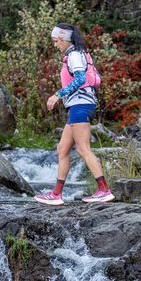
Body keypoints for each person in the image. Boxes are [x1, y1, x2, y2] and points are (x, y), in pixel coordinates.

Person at [33, 23, 114, 205]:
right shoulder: (76, 54)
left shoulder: (75, 55)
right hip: (77, 106)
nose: (55, 45)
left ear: (63, 39)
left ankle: (104, 191)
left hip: (81, 105)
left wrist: (57, 95)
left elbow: (80, 79)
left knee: (83, 148)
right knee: (62, 149)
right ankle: (56, 195)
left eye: (56, 41)